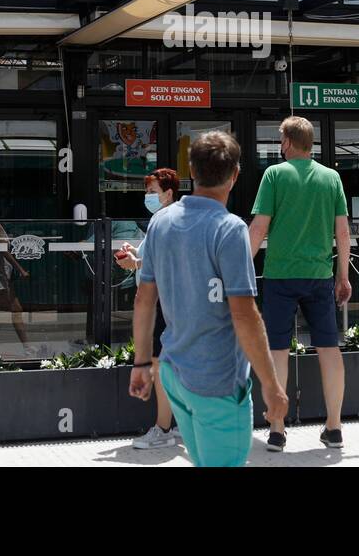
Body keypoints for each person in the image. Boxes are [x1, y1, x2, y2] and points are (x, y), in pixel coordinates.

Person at [129, 132, 288, 467]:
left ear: (191, 170)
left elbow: (144, 299)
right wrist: (272, 386)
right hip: (217, 381)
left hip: (174, 372)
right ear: (235, 175)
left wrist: (142, 363)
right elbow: (245, 316)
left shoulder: (160, 223)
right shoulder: (229, 229)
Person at [248, 116, 352, 451]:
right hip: (320, 275)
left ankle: (277, 429)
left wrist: (239, 269)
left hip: (280, 275)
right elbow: (343, 232)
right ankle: (334, 428)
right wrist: (344, 276)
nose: (280, 146)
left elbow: (258, 228)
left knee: (277, 350)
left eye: (281, 140)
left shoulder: (275, 175)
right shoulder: (331, 177)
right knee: (329, 349)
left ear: (289, 142)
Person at [116, 169, 181, 449]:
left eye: (153, 192)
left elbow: (163, 263)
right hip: (171, 303)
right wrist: (136, 255)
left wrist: (135, 263)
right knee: (171, 366)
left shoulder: (164, 220)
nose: (148, 197)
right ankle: (175, 424)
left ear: (168, 193)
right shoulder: (168, 219)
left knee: (160, 365)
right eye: (147, 192)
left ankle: (163, 429)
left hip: (162, 302)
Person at [0, 221, 35, 357]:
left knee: (12, 309)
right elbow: (3, 250)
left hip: (0, 275)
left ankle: (26, 346)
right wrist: (20, 269)